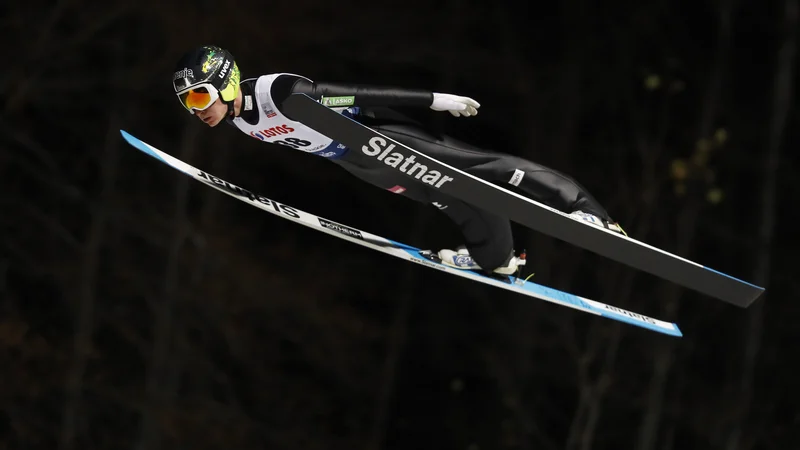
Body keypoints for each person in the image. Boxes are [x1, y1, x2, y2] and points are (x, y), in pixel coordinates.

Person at [172, 45, 625, 276]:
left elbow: (352, 94)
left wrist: (432, 99)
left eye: (198, 95)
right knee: (453, 200)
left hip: (380, 134)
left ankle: (587, 211)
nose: (196, 109)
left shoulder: (280, 92)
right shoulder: (237, 121)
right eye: (186, 102)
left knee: (478, 168)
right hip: (356, 160)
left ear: (225, 82)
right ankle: (499, 259)